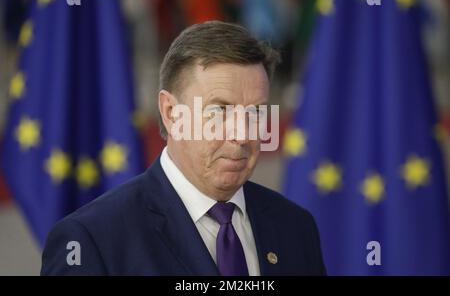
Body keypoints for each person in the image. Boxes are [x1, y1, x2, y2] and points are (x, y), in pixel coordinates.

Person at [41, 21, 326, 275]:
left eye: (255, 113)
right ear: (171, 113)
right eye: (220, 111)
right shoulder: (92, 240)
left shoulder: (295, 227)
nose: (242, 135)